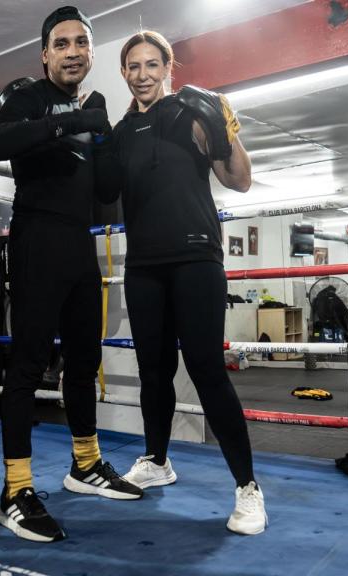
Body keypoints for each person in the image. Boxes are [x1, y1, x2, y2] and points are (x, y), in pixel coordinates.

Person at [0, 5, 141, 544]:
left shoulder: (93, 106)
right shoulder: (27, 98)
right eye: (62, 44)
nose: (73, 51)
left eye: (81, 43)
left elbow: (107, 191)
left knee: (85, 357)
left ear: (90, 53)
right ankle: (15, 490)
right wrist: (72, 121)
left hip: (79, 245)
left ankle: (85, 463)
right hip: (36, 240)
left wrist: (107, 136)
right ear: (46, 53)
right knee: (27, 364)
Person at [105, 30, 267, 535]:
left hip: (196, 258)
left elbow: (239, 178)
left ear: (167, 67)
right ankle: (157, 460)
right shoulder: (121, 130)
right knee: (153, 368)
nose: (143, 74)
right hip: (144, 265)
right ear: (124, 73)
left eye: (153, 64)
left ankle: (248, 488)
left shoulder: (192, 115)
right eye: (134, 66)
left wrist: (224, 126)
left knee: (205, 369)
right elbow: (106, 194)